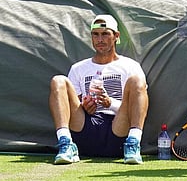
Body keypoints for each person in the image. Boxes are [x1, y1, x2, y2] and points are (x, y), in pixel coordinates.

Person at [48, 14, 149, 165]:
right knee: (58, 80)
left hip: (118, 129)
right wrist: (86, 106)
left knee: (137, 80)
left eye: (105, 34)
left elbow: (137, 106)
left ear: (116, 36)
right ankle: (65, 143)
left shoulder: (130, 66)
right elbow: (73, 107)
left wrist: (110, 103)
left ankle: (133, 144)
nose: (100, 39)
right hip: (85, 129)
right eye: (95, 35)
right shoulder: (78, 69)